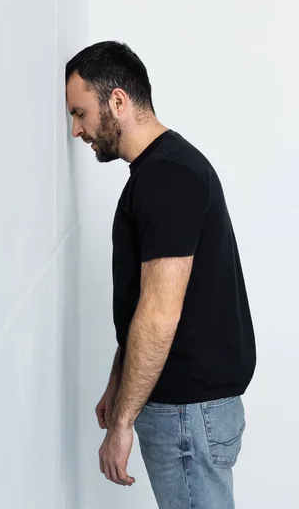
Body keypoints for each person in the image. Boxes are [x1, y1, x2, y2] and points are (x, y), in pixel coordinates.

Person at [65, 41, 256, 509]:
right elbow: (143, 304)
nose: (76, 130)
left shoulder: (166, 177)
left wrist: (124, 422)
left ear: (117, 101)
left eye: (80, 113)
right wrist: (118, 381)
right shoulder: (165, 169)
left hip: (188, 415)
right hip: (190, 410)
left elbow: (159, 313)